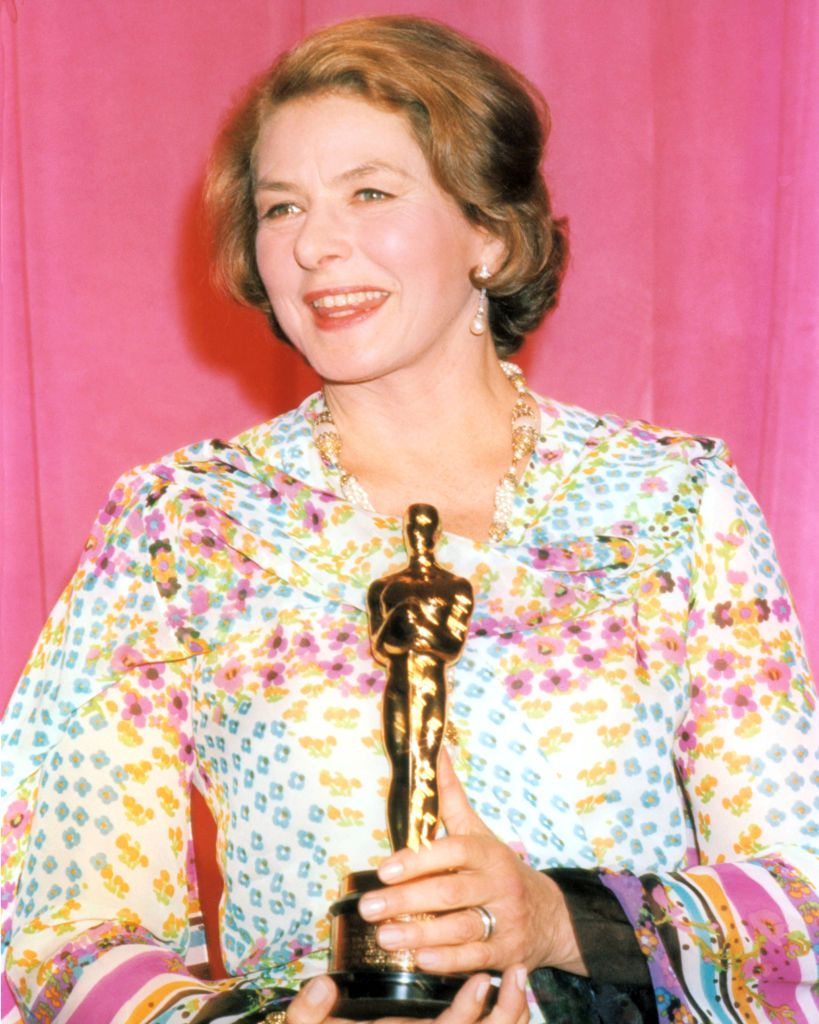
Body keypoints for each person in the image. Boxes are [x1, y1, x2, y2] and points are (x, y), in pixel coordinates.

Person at [2, 14, 816, 1024]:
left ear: (492, 231)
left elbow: (804, 904)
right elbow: (61, 930)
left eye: (371, 193)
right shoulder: (184, 523)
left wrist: (560, 918)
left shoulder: (673, 500)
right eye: (280, 207)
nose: (312, 244)